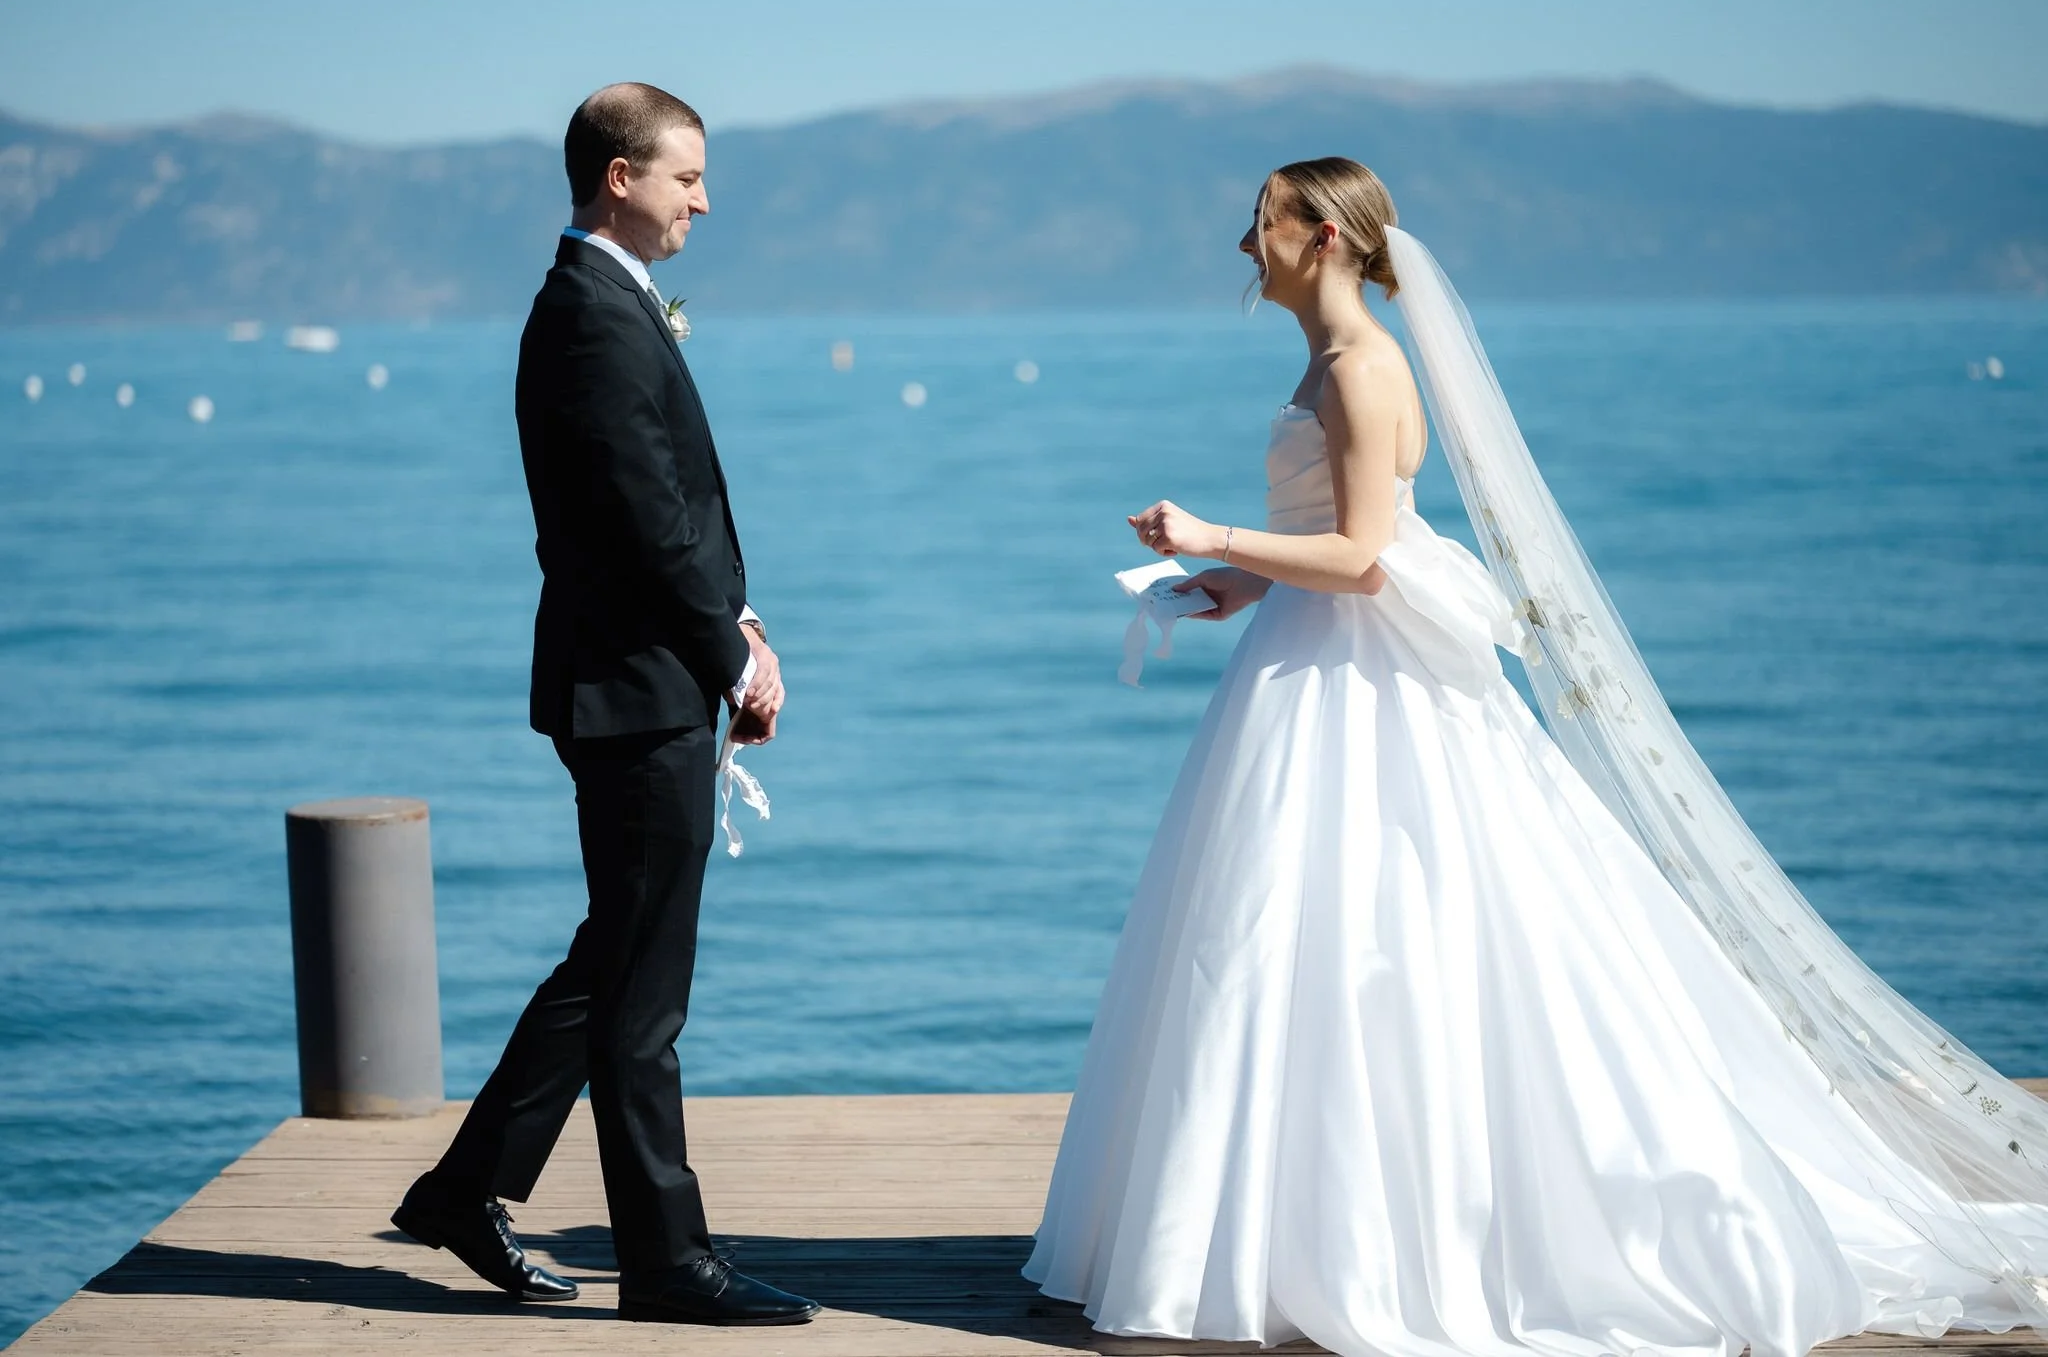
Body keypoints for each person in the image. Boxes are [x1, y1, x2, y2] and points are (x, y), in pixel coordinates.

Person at [1025, 156, 2048, 1357]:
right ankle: (1275, 1229)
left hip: (1359, 679)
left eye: (1259, 224)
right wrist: (1224, 585)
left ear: (1327, 239)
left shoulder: (1360, 367)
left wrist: (1215, 527)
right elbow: (1337, 539)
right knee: (1273, 938)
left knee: (1374, 936)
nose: (1239, 246)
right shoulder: (1324, 363)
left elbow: (1362, 556)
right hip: (1304, 665)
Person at [389, 83, 818, 1327]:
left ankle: (465, 1192)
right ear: (619, 177)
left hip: (649, 678)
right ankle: (666, 1263)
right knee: (642, 993)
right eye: (686, 175)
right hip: (633, 696)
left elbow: (664, 513)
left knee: (617, 965)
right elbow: (639, 522)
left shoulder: (609, 305)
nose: (703, 197)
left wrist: (732, 630)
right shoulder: (588, 316)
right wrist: (730, 657)